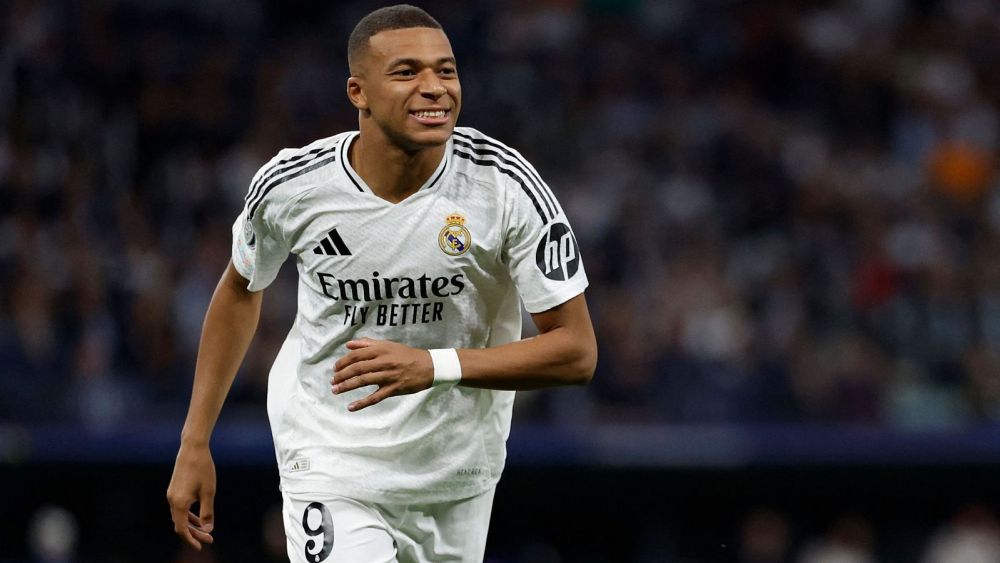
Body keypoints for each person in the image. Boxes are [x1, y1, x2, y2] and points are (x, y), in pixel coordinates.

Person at [166, 4, 596, 562]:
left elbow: (577, 352)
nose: (434, 88)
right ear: (357, 92)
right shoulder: (292, 187)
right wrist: (194, 440)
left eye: (446, 71)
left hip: (455, 470)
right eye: (406, 72)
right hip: (330, 457)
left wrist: (432, 366)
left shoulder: (506, 187)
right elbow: (240, 289)